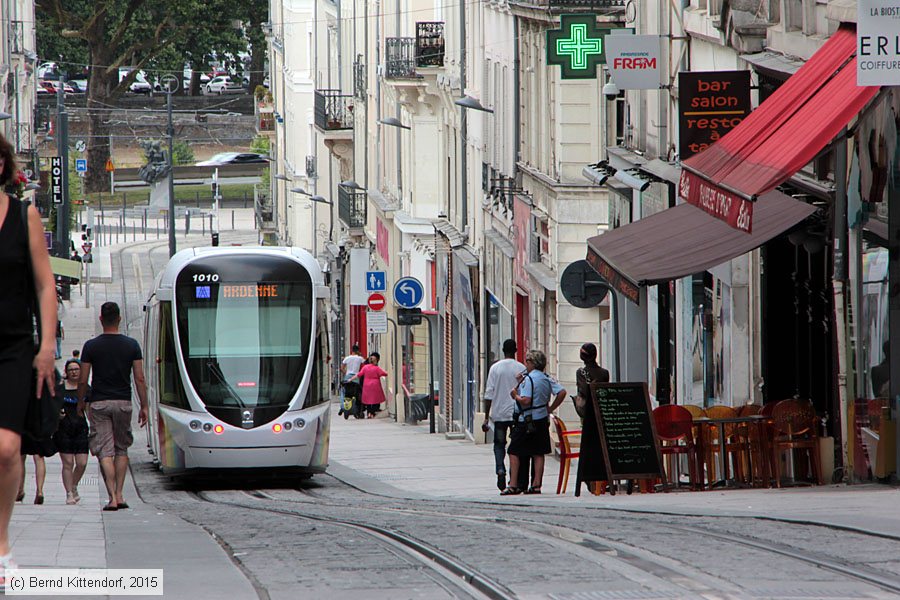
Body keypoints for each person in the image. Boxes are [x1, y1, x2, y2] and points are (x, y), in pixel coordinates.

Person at [0, 132, 59, 591]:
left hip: (14, 347)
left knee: (5, 450)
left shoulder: (25, 216)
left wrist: (47, 346)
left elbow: (45, 286)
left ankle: (1, 546)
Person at [78, 302, 147, 511]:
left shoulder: (91, 346)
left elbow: (82, 379)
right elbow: (140, 378)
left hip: (99, 403)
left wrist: (81, 402)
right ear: (119, 319)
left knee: (104, 451)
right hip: (123, 402)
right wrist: (144, 405)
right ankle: (120, 493)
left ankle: (111, 498)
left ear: (101, 319)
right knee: (121, 449)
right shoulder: (132, 345)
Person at [501, 350, 567, 495]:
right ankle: (536, 485)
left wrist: (515, 396)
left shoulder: (529, 379)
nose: (525, 364)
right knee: (538, 452)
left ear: (531, 363)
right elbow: (562, 392)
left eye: (527, 361)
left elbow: (526, 400)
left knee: (514, 451)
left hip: (527, 420)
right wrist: (550, 408)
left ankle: (513, 484)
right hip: (542, 418)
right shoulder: (546, 378)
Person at [482, 339, 526, 491]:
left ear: (502, 350)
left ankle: (500, 469)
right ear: (515, 350)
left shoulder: (495, 368)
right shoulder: (522, 368)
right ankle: (515, 477)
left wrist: (486, 417)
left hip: (499, 414)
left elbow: (489, 394)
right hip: (516, 414)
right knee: (516, 448)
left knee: (499, 445)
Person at [573, 343, 610, 494]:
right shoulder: (604, 372)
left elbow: (584, 391)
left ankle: (590, 479)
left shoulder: (581, 372)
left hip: (588, 414)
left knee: (588, 447)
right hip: (602, 412)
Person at [54, 359, 90, 505]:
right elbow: (53, 406)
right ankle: (69, 493)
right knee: (68, 463)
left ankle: (74, 485)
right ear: (66, 372)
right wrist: (57, 414)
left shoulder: (86, 388)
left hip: (81, 428)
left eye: (76, 369)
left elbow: (89, 409)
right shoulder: (60, 388)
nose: (74, 372)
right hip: (64, 428)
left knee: (82, 463)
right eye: (71, 370)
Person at [350, 352, 388, 418]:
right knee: (375, 399)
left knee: (368, 400)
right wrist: (387, 372)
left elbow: (359, 374)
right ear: (376, 361)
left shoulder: (365, 367)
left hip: (366, 385)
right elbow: (384, 374)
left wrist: (350, 379)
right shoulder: (377, 368)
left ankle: (369, 413)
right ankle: (372, 413)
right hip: (375, 384)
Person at [340, 345, 366, 419]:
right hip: (356, 377)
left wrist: (345, 373)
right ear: (358, 350)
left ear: (352, 350)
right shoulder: (360, 358)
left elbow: (342, 368)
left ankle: (343, 406)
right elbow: (365, 363)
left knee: (344, 391)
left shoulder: (347, 358)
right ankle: (357, 408)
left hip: (348, 376)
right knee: (357, 393)